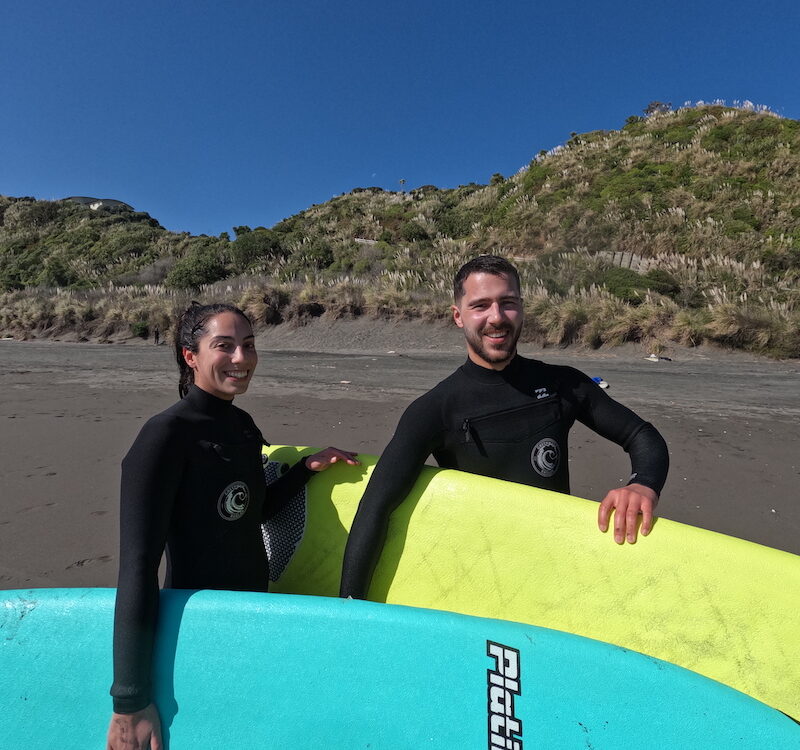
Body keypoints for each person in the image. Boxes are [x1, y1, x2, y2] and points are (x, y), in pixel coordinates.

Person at [340, 255, 669, 600]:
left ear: (521, 309)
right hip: (481, 577)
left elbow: (641, 436)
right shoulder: (435, 409)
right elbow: (376, 507)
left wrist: (643, 485)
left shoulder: (563, 384)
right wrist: (351, 605)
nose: (496, 318)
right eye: (480, 306)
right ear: (458, 316)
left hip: (557, 570)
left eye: (507, 303)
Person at [107, 302, 358, 750]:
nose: (241, 359)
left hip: (253, 617)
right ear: (191, 356)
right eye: (224, 346)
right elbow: (138, 566)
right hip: (197, 626)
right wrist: (129, 701)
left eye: (248, 346)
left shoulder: (242, 426)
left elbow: (251, 512)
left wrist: (305, 469)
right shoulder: (164, 435)